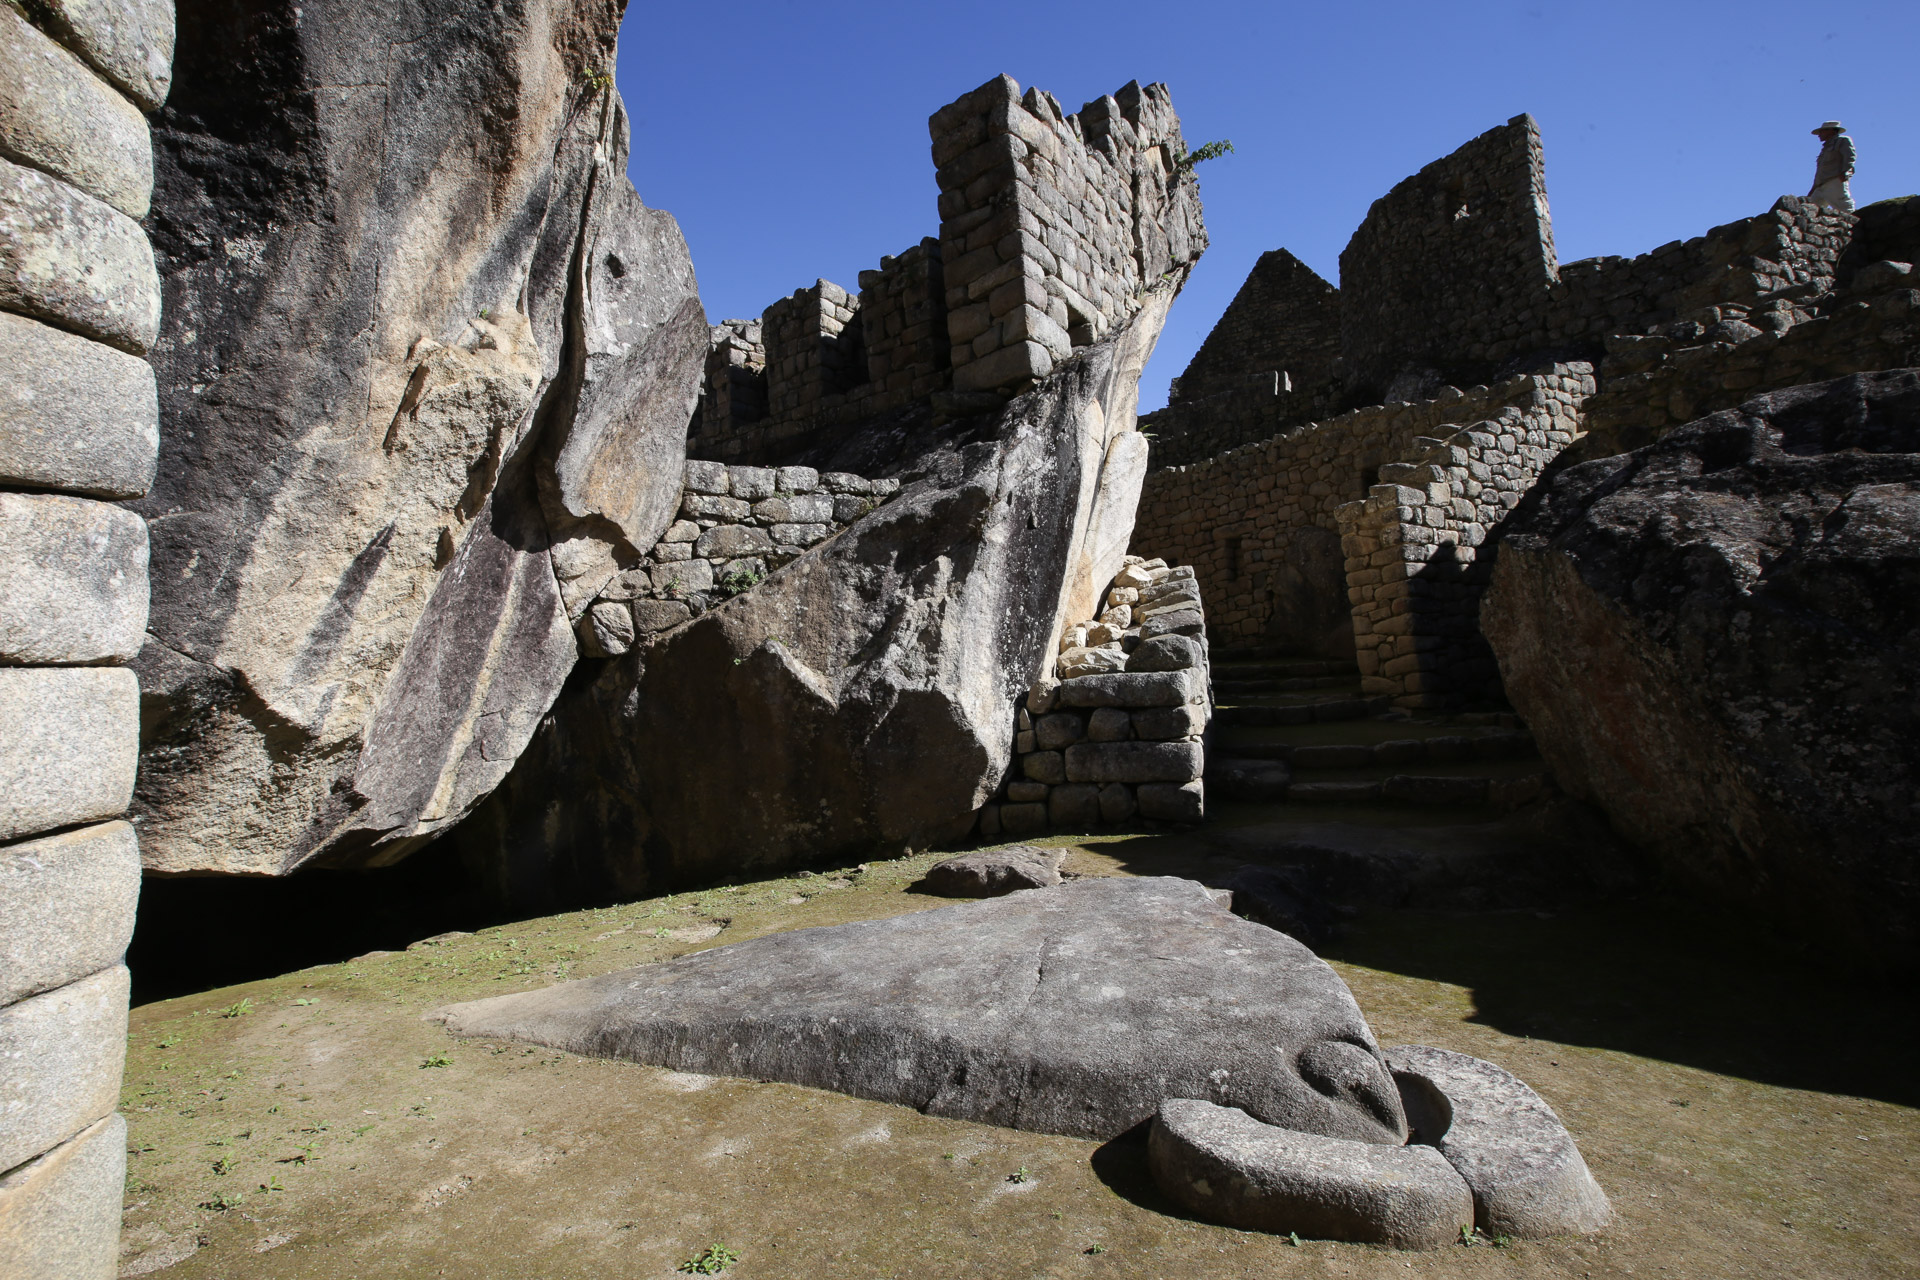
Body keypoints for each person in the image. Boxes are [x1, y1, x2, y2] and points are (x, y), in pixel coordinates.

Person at [1808, 121, 1856, 213]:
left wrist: (1845, 172)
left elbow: (1850, 157)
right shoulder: (1824, 149)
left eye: (1822, 132)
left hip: (1834, 180)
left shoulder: (1842, 141)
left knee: (1844, 207)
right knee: (1810, 209)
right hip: (1820, 185)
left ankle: (1854, 225)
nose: (1819, 135)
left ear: (1831, 131)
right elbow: (1820, 170)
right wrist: (1813, 188)